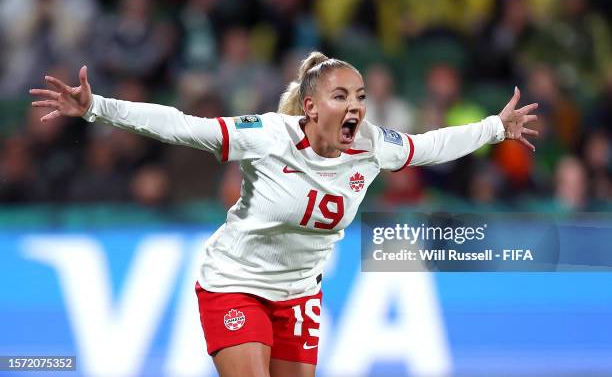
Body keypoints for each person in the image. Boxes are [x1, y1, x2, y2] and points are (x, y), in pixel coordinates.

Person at [30, 51, 538, 377]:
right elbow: (182, 126)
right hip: (235, 281)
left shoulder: (370, 146)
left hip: (298, 293)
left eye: (360, 97)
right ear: (312, 107)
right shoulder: (268, 136)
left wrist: (497, 127)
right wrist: (98, 108)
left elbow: (430, 145)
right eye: (341, 96)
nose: (356, 107)